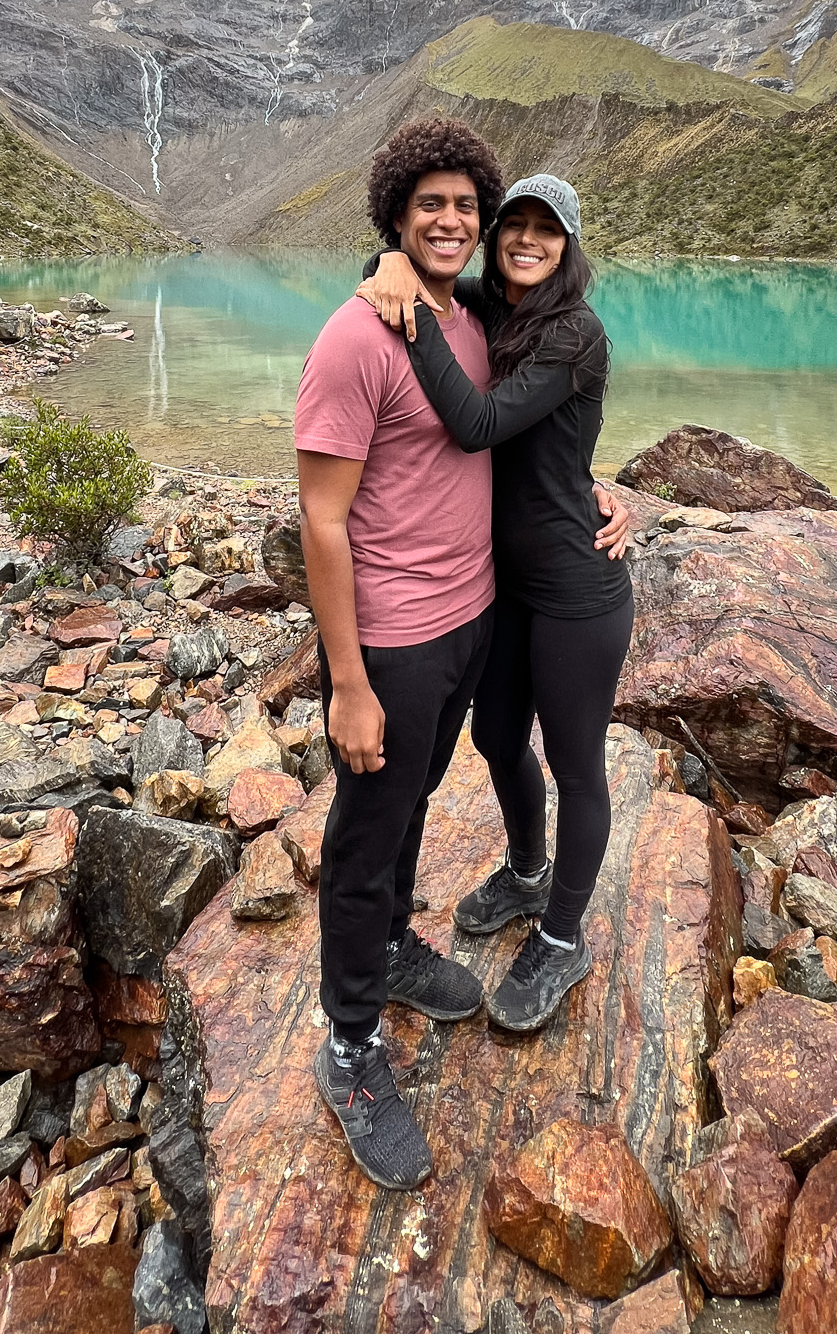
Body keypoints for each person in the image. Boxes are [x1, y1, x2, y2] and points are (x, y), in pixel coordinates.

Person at [295, 122, 627, 1192]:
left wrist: (600, 491)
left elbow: (512, 429)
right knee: (368, 828)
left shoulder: (491, 322)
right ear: (397, 213)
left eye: (465, 207)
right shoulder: (370, 331)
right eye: (428, 204)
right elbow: (322, 515)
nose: (455, 222)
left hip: (482, 615)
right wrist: (345, 677)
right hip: (392, 639)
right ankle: (349, 1044)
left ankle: (416, 943)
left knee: (417, 803)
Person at [357, 172, 634, 1034]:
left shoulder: (575, 333)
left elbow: (478, 424)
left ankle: (561, 935)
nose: (524, 239)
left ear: (569, 244)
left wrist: (413, 311)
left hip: (576, 591)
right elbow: (419, 273)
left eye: (545, 229)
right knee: (495, 735)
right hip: (506, 587)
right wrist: (390, 265)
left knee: (577, 764)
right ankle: (524, 871)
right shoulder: (494, 303)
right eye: (511, 223)